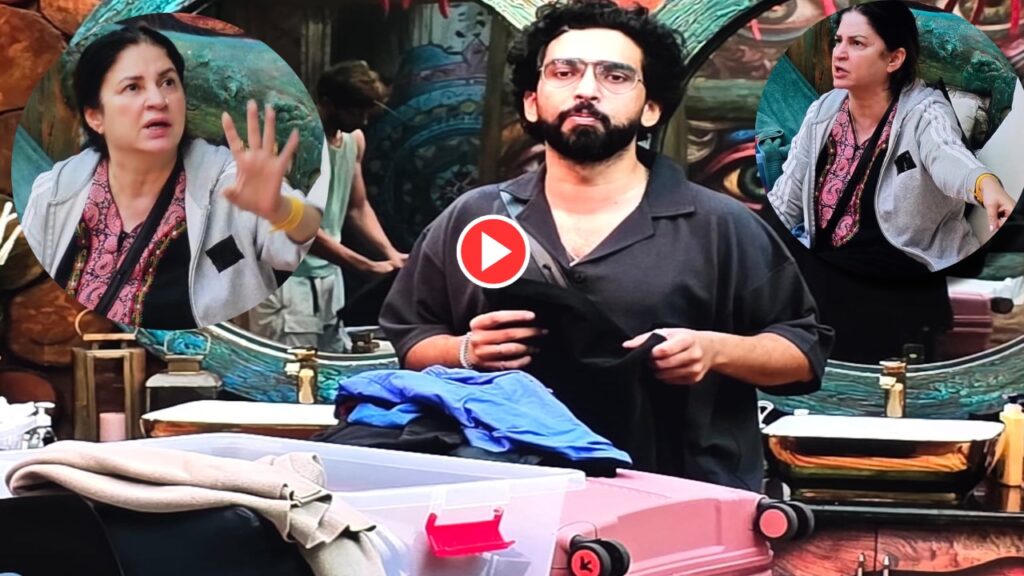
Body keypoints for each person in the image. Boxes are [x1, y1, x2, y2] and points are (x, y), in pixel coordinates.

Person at [379, 0, 833, 491]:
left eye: (615, 76)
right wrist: (464, 350)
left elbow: (802, 351)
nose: (586, 90)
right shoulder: (475, 217)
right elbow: (411, 337)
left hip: (677, 495)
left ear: (651, 107)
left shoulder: (720, 225)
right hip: (509, 492)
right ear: (532, 101)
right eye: (564, 72)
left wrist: (715, 350)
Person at [20, 25, 324, 329]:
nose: (158, 100)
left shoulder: (230, 180)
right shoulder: (55, 193)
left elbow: (302, 237)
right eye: (133, 87)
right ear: (95, 117)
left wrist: (281, 209)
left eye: (168, 82)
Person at [765, 0, 1016, 362]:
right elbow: (786, 199)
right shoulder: (823, 110)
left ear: (894, 59)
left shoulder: (924, 112)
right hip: (833, 268)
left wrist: (986, 186)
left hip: (902, 266)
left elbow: (948, 157)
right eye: (838, 41)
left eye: (857, 43)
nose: (839, 54)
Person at [248, 60, 407, 352]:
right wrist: (364, 265)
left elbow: (357, 207)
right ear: (327, 103)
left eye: (367, 111)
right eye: (355, 111)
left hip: (329, 277)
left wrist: (390, 253)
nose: (364, 120)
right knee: (291, 368)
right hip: (288, 280)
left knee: (332, 363)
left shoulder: (353, 139)